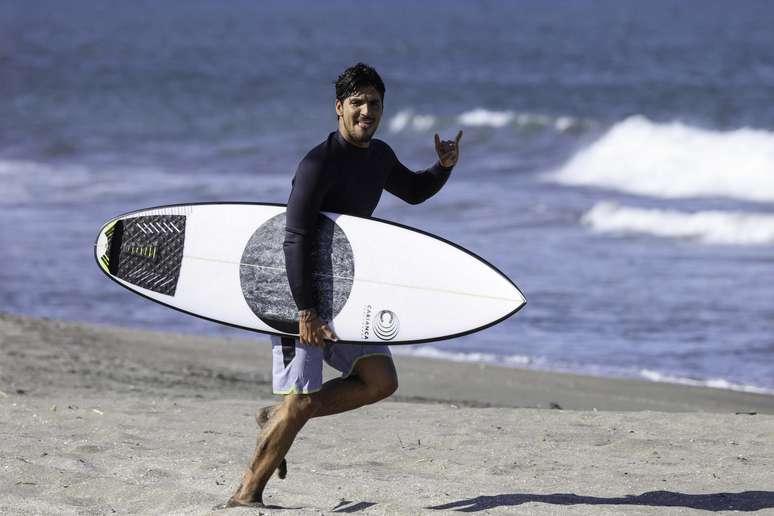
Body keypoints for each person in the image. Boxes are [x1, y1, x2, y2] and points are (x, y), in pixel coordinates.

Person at [226, 63, 462, 508]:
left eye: (373, 103)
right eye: (357, 103)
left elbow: (412, 191)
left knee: (380, 380)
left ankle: (276, 418)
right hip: (297, 295)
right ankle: (245, 494)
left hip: (346, 291)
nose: (366, 111)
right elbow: (293, 235)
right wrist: (305, 312)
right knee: (300, 402)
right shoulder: (319, 163)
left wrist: (443, 167)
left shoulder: (379, 156)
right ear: (339, 108)